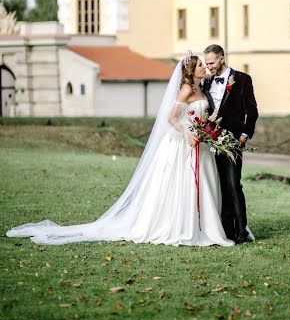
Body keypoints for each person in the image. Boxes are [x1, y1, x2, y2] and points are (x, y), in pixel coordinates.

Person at [6, 55, 234, 247]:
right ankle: (181, 226)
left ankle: (206, 227)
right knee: (179, 186)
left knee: (203, 184)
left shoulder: (201, 87)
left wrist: (205, 131)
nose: (205, 67)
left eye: (206, 65)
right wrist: (187, 133)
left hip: (200, 144)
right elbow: (171, 117)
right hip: (181, 144)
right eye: (201, 66)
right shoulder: (185, 89)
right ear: (192, 71)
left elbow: (200, 116)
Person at [203, 45, 258, 244]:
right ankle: (226, 231)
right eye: (206, 63)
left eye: (211, 62)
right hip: (211, 141)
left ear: (222, 58)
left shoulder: (243, 79)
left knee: (234, 184)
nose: (208, 67)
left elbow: (252, 112)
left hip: (234, 140)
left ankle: (241, 231)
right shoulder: (206, 83)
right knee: (221, 186)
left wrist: (244, 135)